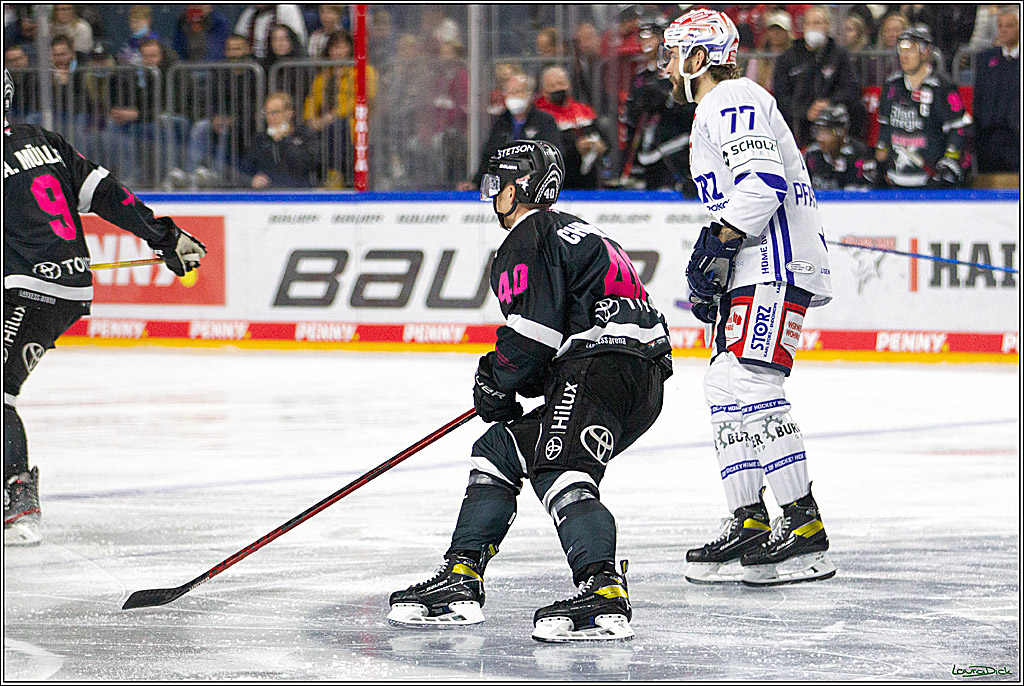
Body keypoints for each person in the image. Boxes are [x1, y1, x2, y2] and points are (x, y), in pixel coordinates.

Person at [387, 139, 673, 641]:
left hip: (600, 367)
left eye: (497, 185)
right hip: (637, 379)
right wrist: (514, 383)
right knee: (501, 449)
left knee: (561, 467)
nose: (492, 196)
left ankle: (603, 588)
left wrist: (493, 379)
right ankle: (460, 577)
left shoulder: (527, 234)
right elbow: (558, 335)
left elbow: (534, 334)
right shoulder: (580, 232)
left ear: (518, 188)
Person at [659, 8, 836, 586]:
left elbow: (762, 183)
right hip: (754, 263)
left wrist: (715, 243)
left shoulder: (730, 97)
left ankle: (805, 528)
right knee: (723, 383)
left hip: (773, 262)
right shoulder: (721, 105)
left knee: (755, 382)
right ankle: (752, 521)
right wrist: (721, 256)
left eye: (673, 54)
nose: (665, 67)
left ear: (698, 57)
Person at [3, 69, 206, 545]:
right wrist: (164, 235)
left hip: (27, 287)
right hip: (69, 287)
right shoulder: (43, 141)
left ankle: (17, 492)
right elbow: (107, 194)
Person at [874, 26, 973, 188]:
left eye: (910, 50)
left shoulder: (942, 86)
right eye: (901, 50)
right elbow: (885, 125)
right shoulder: (892, 85)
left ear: (925, 52)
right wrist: (881, 154)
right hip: (896, 178)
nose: (903, 56)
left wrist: (950, 160)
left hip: (930, 180)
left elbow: (958, 128)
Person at [621, 14, 696, 192]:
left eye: (650, 36)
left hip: (676, 148)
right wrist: (636, 109)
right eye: (641, 36)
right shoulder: (641, 75)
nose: (644, 42)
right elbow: (631, 117)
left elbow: (691, 110)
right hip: (648, 151)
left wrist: (668, 101)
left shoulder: (680, 71)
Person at [771, 5, 865, 148]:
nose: (813, 27)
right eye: (809, 23)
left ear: (827, 26)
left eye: (818, 23)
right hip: (799, 122)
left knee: (858, 108)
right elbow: (781, 96)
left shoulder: (839, 55)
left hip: (832, 120)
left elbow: (851, 88)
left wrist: (827, 103)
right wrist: (806, 112)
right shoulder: (788, 57)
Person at [464, 74, 563, 189]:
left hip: (536, 187)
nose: (513, 97)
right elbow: (489, 157)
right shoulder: (501, 123)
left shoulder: (545, 121)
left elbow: (553, 157)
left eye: (518, 92)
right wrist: (476, 183)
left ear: (529, 94)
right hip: (505, 187)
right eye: (510, 93)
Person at [534, 65, 607, 190]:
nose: (557, 88)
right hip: (558, 180)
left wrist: (601, 146)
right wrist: (575, 148)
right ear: (544, 90)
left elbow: (605, 140)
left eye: (560, 83)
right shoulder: (539, 115)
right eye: (552, 86)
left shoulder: (584, 111)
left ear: (568, 85)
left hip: (589, 179)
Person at [973, 8, 1019, 174]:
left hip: (1016, 141)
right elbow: (978, 99)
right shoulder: (985, 59)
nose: (1004, 30)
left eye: (1010, 26)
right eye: (1000, 25)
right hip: (990, 141)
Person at [244, 92, 320, 189]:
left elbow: (310, 164)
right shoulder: (260, 139)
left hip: (299, 194)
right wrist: (252, 179)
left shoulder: (305, 135)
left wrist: (284, 140)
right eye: (267, 112)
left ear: (289, 113)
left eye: (275, 112)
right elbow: (245, 168)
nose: (270, 117)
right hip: (267, 195)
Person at [804, 103, 877, 190]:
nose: (820, 138)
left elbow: (865, 197)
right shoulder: (812, 154)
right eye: (819, 132)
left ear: (840, 132)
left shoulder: (860, 154)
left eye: (826, 132)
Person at [234, 4, 307, 61]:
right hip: (257, 63)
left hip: (281, 62)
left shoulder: (287, 8)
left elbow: (299, 40)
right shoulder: (249, 12)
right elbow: (237, 39)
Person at [744, 11, 792, 94]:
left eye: (780, 30)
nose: (776, 33)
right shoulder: (758, 57)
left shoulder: (793, 57)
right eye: (772, 30)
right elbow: (749, 83)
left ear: (787, 33)